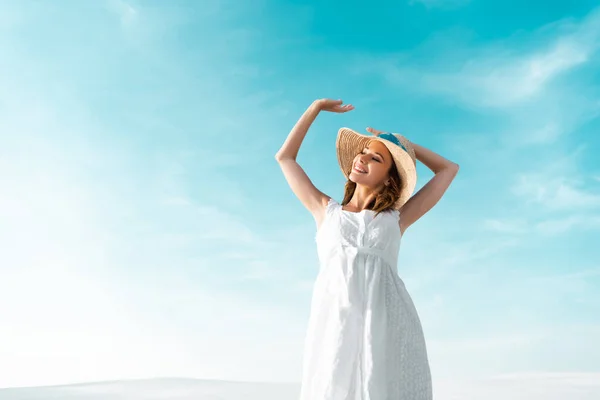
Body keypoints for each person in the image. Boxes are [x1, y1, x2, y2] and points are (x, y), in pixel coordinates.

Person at [275, 98, 459, 400]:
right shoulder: (326, 211)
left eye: (375, 158)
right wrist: (315, 109)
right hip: (336, 322)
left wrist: (403, 145)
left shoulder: (397, 219)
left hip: (386, 324)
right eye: (363, 152)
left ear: (389, 178)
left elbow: (448, 170)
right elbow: (285, 158)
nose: (362, 158)